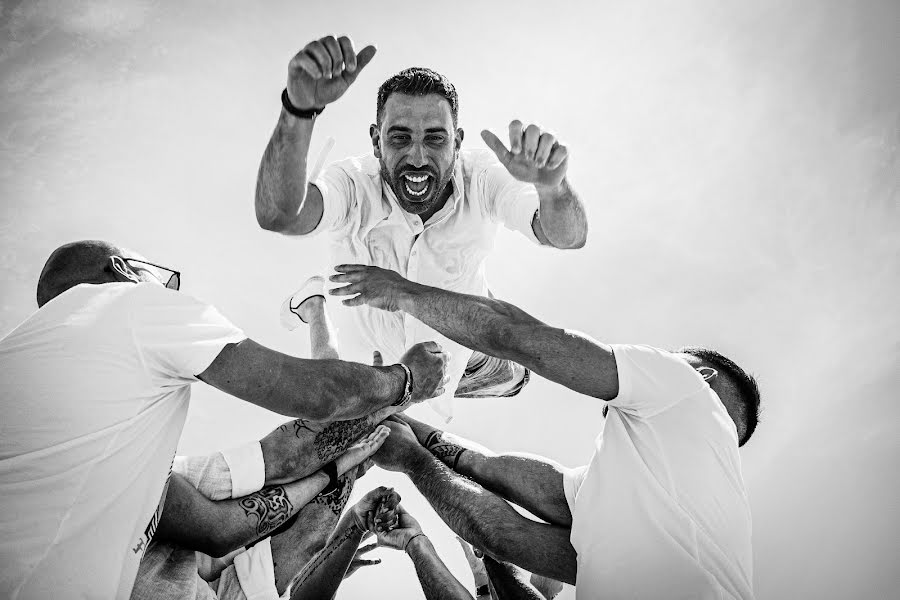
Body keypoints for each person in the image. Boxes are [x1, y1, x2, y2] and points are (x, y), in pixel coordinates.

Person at [0, 240, 447, 599]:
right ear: (124, 270)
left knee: (311, 473)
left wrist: (347, 458)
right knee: (310, 457)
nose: (160, 287)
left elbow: (219, 530)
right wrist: (405, 382)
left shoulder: (68, 426)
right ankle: (314, 309)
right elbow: (317, 397)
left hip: (173, 568)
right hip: (183, 571)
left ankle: (314, 311)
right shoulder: (125, 305)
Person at [332, 264, 761, 599]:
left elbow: (519, 338)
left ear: (703, 374)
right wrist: (393, 422)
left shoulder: (687, 387)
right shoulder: (634, 501)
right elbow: (495, 519)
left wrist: (403, 292)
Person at [255, 34, 589, 418]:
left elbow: (567, 237)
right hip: (385, 352)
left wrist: (553, 188)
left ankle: (471, 314)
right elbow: (280, 215)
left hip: (470, 355)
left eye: (435, 139)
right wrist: (298, 108)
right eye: (400, 138)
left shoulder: (481, 175)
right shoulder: (353, 182)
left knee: (515, 377)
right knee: (333, 414)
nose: (417, 156)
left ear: (458, 142)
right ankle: (315, 305)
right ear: (376, 142)